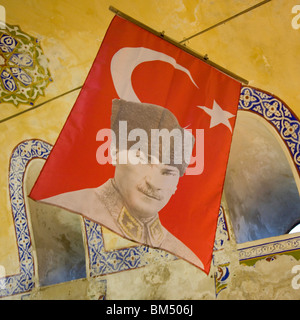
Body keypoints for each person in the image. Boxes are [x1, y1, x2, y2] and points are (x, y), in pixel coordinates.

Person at [42, 99, 204, 269]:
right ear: (115, 153)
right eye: (143, 160)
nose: (154, 183)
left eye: (168, 172)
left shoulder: (184, 256)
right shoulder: (61, 213)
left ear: (177, 185)